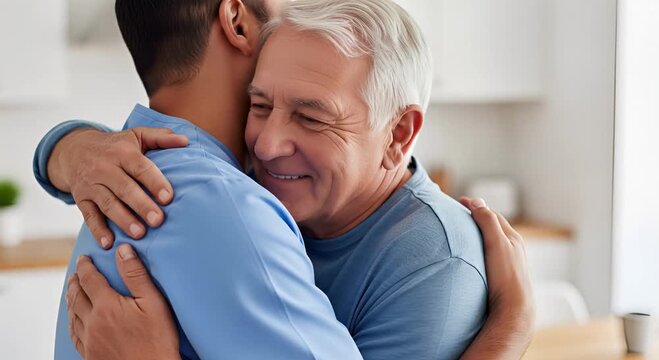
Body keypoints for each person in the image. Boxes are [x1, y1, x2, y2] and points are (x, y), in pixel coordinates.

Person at [36, 0, 534, 359]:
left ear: (397, 135)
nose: (269, 144)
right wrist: (67, 147)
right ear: (235, 19)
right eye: (260, 105)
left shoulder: (430, 261)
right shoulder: (230, 198)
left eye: (313, 117)